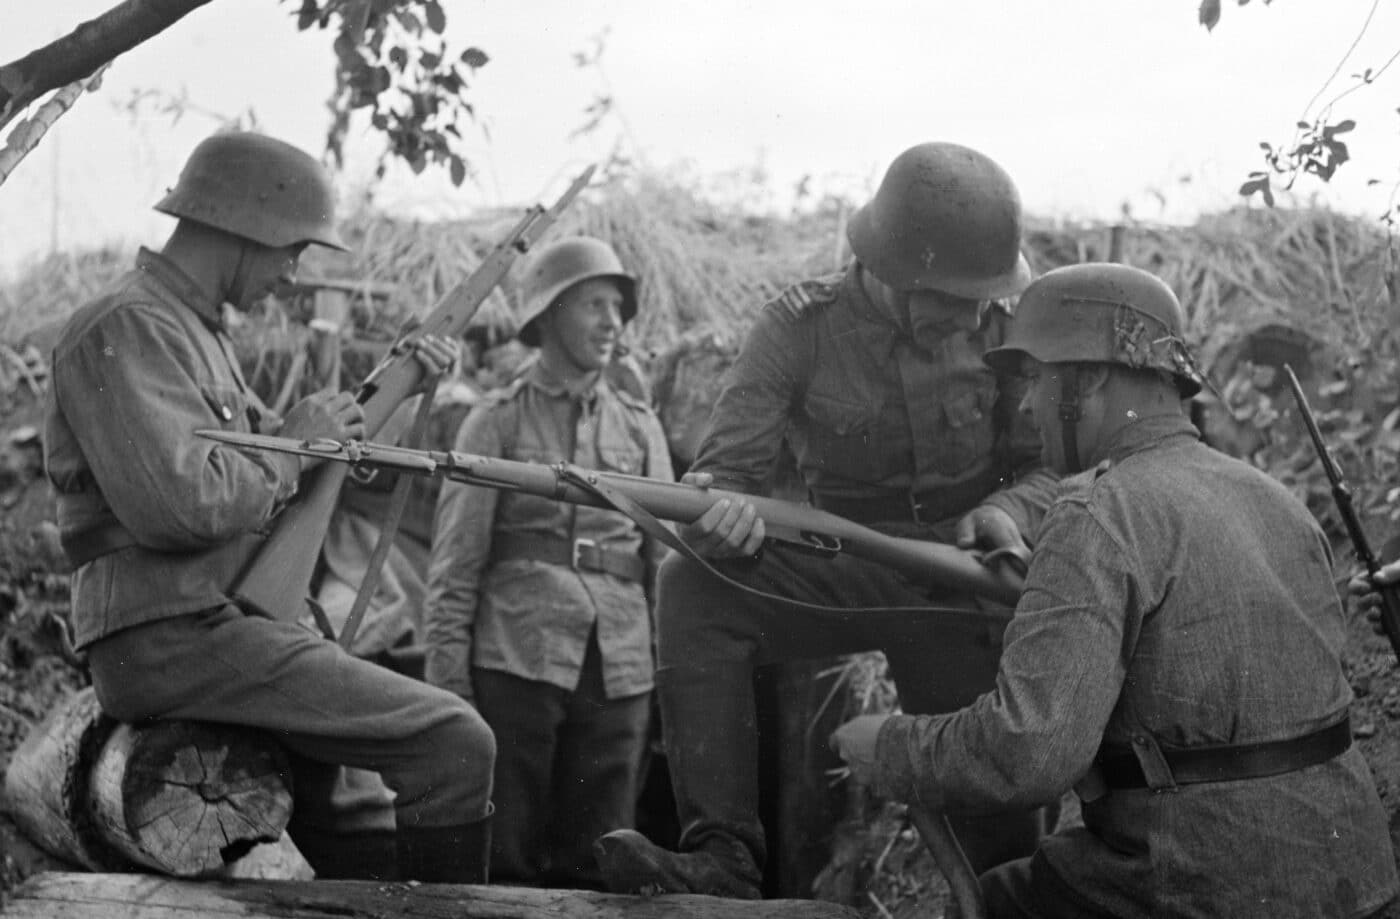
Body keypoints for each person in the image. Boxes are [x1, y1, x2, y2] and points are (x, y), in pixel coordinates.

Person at [831, 262, 1398, 918]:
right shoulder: (1279, 500)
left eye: (1038, 379)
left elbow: (1029, 753)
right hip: (1359, 879)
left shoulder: (1097, 509)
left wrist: (892, 745)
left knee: (995, 899)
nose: (1025, 404)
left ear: (1090, 378)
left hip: (1200, 888)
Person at [595, 142, 1060, 898]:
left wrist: (1004, 509)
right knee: (693, 585)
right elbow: (725, 479)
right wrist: (721, 521)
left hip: (959, 578)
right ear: (896, 274)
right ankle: (723, 854)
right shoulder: (796, 327)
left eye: (981, 298)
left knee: (1002, 860)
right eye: (952, 299)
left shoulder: (1003, 320)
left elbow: (1049, 463)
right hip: (840, 562)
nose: (973, 314)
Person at [42, 130, 496, 884]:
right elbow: (185, 506)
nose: (292, 277)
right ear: (246, 228)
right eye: (292, 252)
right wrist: (294, 443)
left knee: (347, 823)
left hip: (211, 621)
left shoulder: (189, 332)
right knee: (454, 740)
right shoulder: (126, 326)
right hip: (171, 633)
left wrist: (397, 390)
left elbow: (283, 478)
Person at [424, 236, 673, 888]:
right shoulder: (494, 423)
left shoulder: (642, 429)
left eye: (617, 306)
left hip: (621, 670)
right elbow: (454, 564)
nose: (611, 323)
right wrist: (450, 686)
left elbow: (664, 571)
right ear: (550, 315)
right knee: (504, 860)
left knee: (604, 862)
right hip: (516, 660)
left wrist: (665, 675)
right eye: (594, 303)